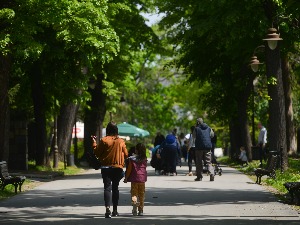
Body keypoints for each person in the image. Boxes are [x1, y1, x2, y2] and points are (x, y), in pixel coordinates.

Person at [93, 121, 128, 218]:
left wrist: (94, 143)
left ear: (107, 129)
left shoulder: (104, 140)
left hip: (106, 168)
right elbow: (126, 154)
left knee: (107, 188)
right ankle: (115, 210)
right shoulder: (121, 141)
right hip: (117, 168)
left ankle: (107, 208)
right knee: (115, 188)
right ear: (116, 129)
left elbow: (97, 153)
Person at [124, 143, 147, 216]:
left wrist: (126, 178)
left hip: (134, 179)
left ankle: (134, 206)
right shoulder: (145, 159)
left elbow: (129, 170)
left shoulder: (132, 159)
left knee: (134, 194)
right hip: (142, 179)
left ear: (136, 150)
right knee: (141, 195)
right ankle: (141, 210)